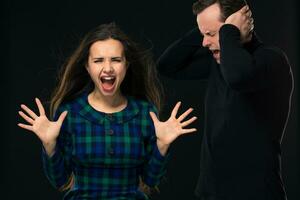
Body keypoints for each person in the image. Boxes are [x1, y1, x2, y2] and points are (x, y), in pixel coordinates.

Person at [18, 23, 197, 200]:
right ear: (88, 67)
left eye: (116, 60)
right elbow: (60, 180)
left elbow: (150, 180)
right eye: (98, 60)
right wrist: (50, 145)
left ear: (126, 65)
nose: (108, 68)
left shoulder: (145, 113)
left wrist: (162, 145)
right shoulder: (69, 113)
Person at [157, 0, 294, 199]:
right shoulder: (217, 63)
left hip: (256, 194)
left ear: (236, 26)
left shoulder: (271, 59)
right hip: (210, 193)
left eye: (211, 35)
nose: (204, 43)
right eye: (203, 35)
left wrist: (228, 31)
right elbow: (167, 66)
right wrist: (205, 29)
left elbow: (238, 77)